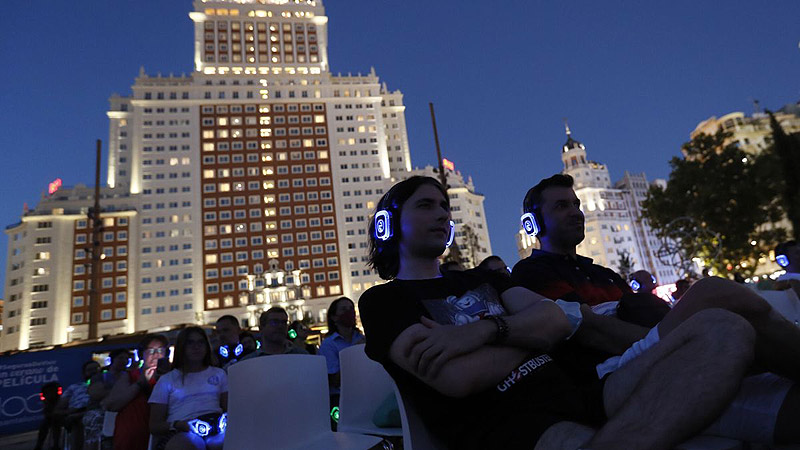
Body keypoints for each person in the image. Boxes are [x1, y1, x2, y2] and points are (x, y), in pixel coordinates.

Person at [359, 176, 798, 449]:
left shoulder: (484, 280)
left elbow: (554, 321)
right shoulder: (383, 302)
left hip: (587, 395)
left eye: (445, 207)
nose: (442, 215)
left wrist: (482, 332)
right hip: (514, 428)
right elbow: (458, 378)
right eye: (425, 205)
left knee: (724, 327)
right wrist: (528, 332)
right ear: (387, 224)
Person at [512, 173, 800, 444]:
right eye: (562, 206)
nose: (576, 212)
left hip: (661, 350)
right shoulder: (532, 273)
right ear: (532, 224)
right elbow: (591, 331)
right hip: (612, 371)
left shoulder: (605, 274)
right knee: (712, 291)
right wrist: (682, 335)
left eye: (576, 204)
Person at [149, 327, 227, 450]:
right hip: (181, 429)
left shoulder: (219, 374)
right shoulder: (167, 380)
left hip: (216, 426)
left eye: (201, 342)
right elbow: (155, 425)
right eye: (190, 343)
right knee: (189, 444)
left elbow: (228, 408)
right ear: (181, 347)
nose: (196, 347)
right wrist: (178, 425)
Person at [103, 334, 170, 450]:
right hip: (131, 435)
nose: (155, 355)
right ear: (141, 355)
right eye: (150, 351)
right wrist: (139, 384)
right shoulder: (130, 376)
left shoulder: (172, 375)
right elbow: (112, 404)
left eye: (160, 350)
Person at [319, 297, 364, 419]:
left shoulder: (361, 338)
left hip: (364, 394)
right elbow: (334, 380)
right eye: (344, 309)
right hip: (341, 399)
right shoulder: (329, 345)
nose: (349, 312)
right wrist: (354, 353)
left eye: (351, 309)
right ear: (334, 317)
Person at [84, 349, 131, 448]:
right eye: (121, 358)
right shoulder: (100, 376)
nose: (124, 361)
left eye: (126, 358)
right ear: (113, 359)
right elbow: (96, 393)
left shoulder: (130, 376)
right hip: (99, 410)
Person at [232, 307, 308, 367]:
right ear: (261, 327)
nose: (280, 326)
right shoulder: (247, 363)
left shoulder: (303, 356)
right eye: (274, 322)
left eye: (284, 322)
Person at [55, 360, 100, 450]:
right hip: (77, 412)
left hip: (96, 411)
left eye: (96, 369)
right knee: (75, 421)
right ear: (84, 374)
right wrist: (70, 411)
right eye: (90, 369)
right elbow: (58, 409)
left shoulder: (108, 385)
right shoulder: (75, 387)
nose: (93, 371)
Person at [34, 381, 62, 450]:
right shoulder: (47, 404)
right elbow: (46, 411)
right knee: (44, 426)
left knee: (56, 424)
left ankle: (56, 445)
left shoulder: (60, 400)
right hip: (50, 416)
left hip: (60, 415)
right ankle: (39, 446)